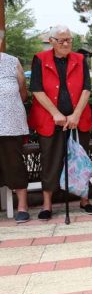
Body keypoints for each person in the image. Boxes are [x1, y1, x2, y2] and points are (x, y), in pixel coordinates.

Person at [28, 25, 92, 219]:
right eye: (61, 40)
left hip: (78, 118)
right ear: (51, 41)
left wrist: (76, 114)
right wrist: (55, 113)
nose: (66, 44)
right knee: (50, 159)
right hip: (50, 119)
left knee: (81, 158)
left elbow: (86, 88)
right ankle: (47, 204)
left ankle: (84, 199)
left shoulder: (80, 59)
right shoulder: (40, 59)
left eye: (69, 40)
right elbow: (36, 89)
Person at [0, 31, 31, 223]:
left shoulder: (12, 62)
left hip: (11, 124)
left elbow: (23, 93)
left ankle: (22, 206)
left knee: (15, 165)